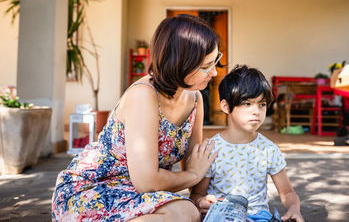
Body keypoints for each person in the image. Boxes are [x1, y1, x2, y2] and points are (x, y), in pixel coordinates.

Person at [52, 14, 222, 221]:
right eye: (206, 66)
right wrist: (194, 175)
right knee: (183, 214)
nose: (214, 73)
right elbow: (147, 181)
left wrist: (197, 196)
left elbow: (194, 160)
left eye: (216, 61)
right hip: (95, 187)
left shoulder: (195, 98)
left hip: (139, 193)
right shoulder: (144, 95)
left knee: (189, 211)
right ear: (179, 64)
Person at [190, 65, 304, 222]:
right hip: (223, 216)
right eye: (247, 103)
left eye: (262, 104)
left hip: (259, 218)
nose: (256, 111)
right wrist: (201, 202)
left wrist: (293, 209)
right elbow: (196, 194)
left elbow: (288, 193)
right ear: (226, 106)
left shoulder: (268, 149)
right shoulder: (211, 149)